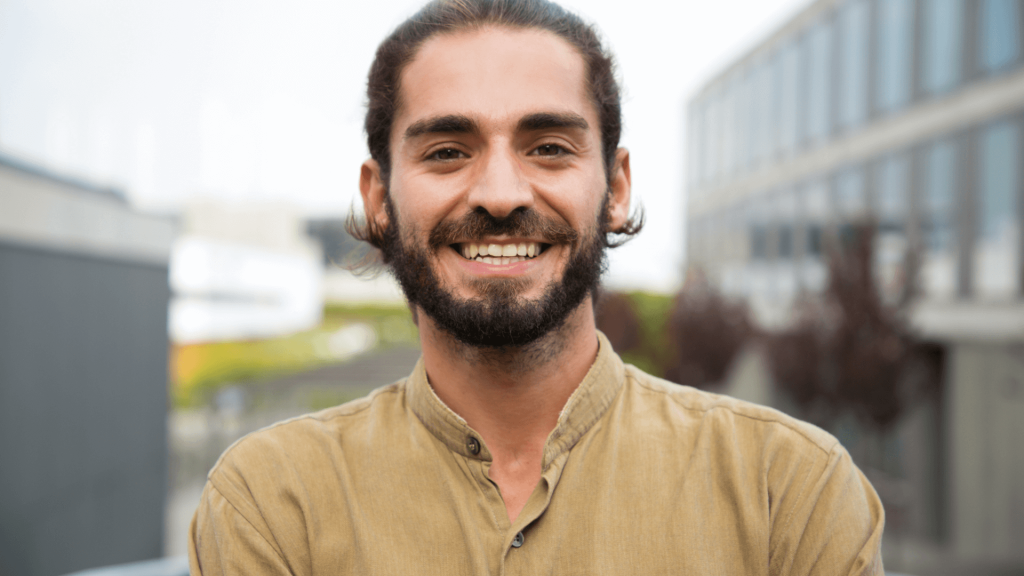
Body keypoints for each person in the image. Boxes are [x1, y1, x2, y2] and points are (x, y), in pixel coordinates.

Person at [188, 0, 885, 573]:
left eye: (549, 147)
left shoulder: (790, 493)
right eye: (447, 151)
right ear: (378, 197)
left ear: (614, 187)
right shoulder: (270, 505)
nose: (498, 194)